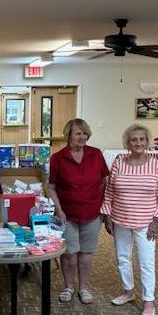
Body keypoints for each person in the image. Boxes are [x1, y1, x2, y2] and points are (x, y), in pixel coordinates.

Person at [101, 123, 158, 315]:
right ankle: (128, 292)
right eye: (134, 139)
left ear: (147, 142)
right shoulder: (119, 162)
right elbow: (110, 191)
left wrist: (156, 222)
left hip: (146, 222)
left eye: (142, 139)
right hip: (120, 218)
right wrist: (107, 215)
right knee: (123, 258)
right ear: (127, 143)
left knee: (146, 261)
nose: (138, 143)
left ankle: (149, 300)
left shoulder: (155, 164)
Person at [48, 118, 109, 304]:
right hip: (67, 213)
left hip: (92, 212)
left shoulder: (96, 154)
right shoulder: (58, 158)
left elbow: (104, 182)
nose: (82, 137)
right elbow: (51, 187)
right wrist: (58, 210)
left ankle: (84, 288)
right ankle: (68, 287)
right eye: (78, 133)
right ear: (69, 135)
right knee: (70, 254)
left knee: (86, 253)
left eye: (85, 133)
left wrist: (103, 208)